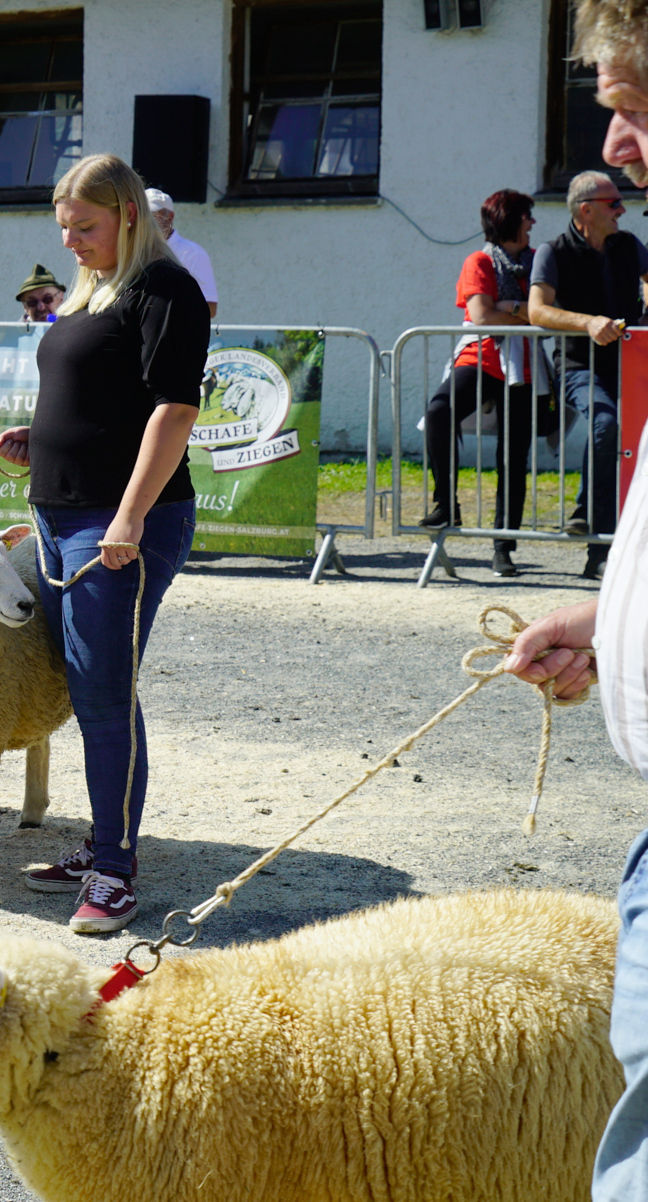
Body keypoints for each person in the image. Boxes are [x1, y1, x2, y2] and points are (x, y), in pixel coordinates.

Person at [0, 153, 207, 934]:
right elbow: (96, 392)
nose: (71, 241)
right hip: (59, 512)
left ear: (126, 214)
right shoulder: (95, 288)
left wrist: (128, 518)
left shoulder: (166, 287)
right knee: (93, 688)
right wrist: (40, 439)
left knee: (104, 696)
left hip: (116, 525)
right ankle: (106, 842)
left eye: (84, 226)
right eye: (63, 228)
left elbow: (174, 411)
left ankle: (115, 873)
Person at [508, 7, 648, 1196]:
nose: (619, 147)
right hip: (565, 368)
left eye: (637, 106)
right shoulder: (567, 251)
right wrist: (616, 625)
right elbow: (528, 314)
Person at [528, 168, 648, 580]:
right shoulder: (553, 251)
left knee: (628, 440)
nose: (622, 209)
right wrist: (588, 323)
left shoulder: (629, 245)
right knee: (604, 421)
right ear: (586, 210)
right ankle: (596, 541)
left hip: (631, 362)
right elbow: (537, 310)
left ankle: (594, 527)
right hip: (579, 364)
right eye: (613, 203)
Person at [420, 188, 540, 578]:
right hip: (482, 358)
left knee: (513, 456)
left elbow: (547, 311)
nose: (532, 223)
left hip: (524, 364)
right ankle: (445, 502)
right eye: (527, 217)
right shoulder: (479, 260)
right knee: (440, 411)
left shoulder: (539, 262)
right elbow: (482, 317)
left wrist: (510, 307)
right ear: (508, 219)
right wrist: (524, 313)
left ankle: (503, 547)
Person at [144, 189, 219, 318]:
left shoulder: (193, 253)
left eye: (154, 216)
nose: (147, 222)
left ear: (170, 217)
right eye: (143, 215)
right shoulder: (134, 251)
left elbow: (210, 307)